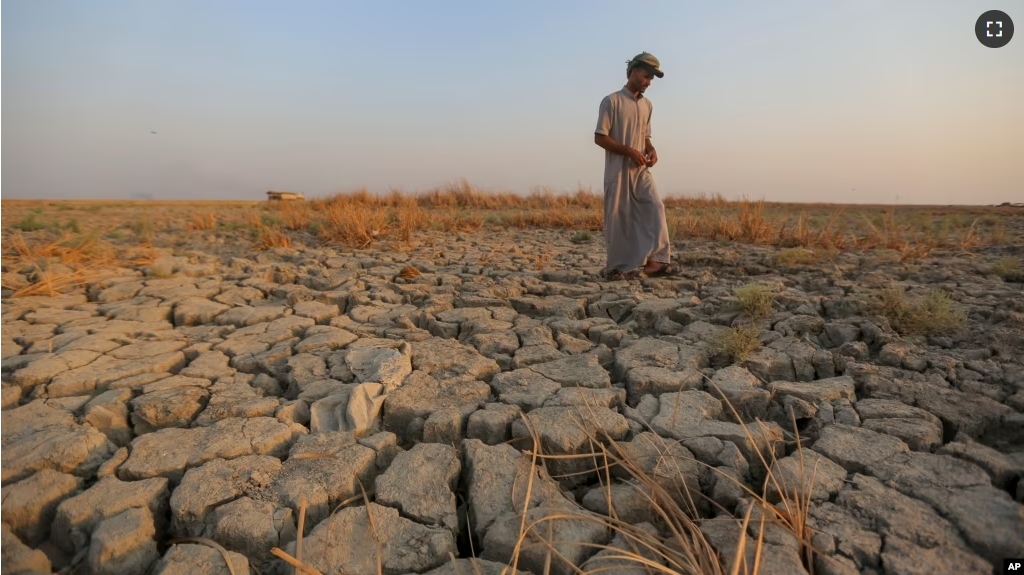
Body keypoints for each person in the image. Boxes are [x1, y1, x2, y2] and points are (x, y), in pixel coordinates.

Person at [594, 51, 678, 281]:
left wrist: (650, 149)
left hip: (641, 169)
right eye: (646, 75)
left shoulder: (648, 105)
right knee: (620, 216)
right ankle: (618, 268)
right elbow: (600, 137)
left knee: (654, 206)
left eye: (651, 78)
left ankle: (657, 261)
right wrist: (628, 150)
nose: (648, 82)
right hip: (618, 169)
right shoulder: (611, 101)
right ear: (632, 72)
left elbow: (645, 136)